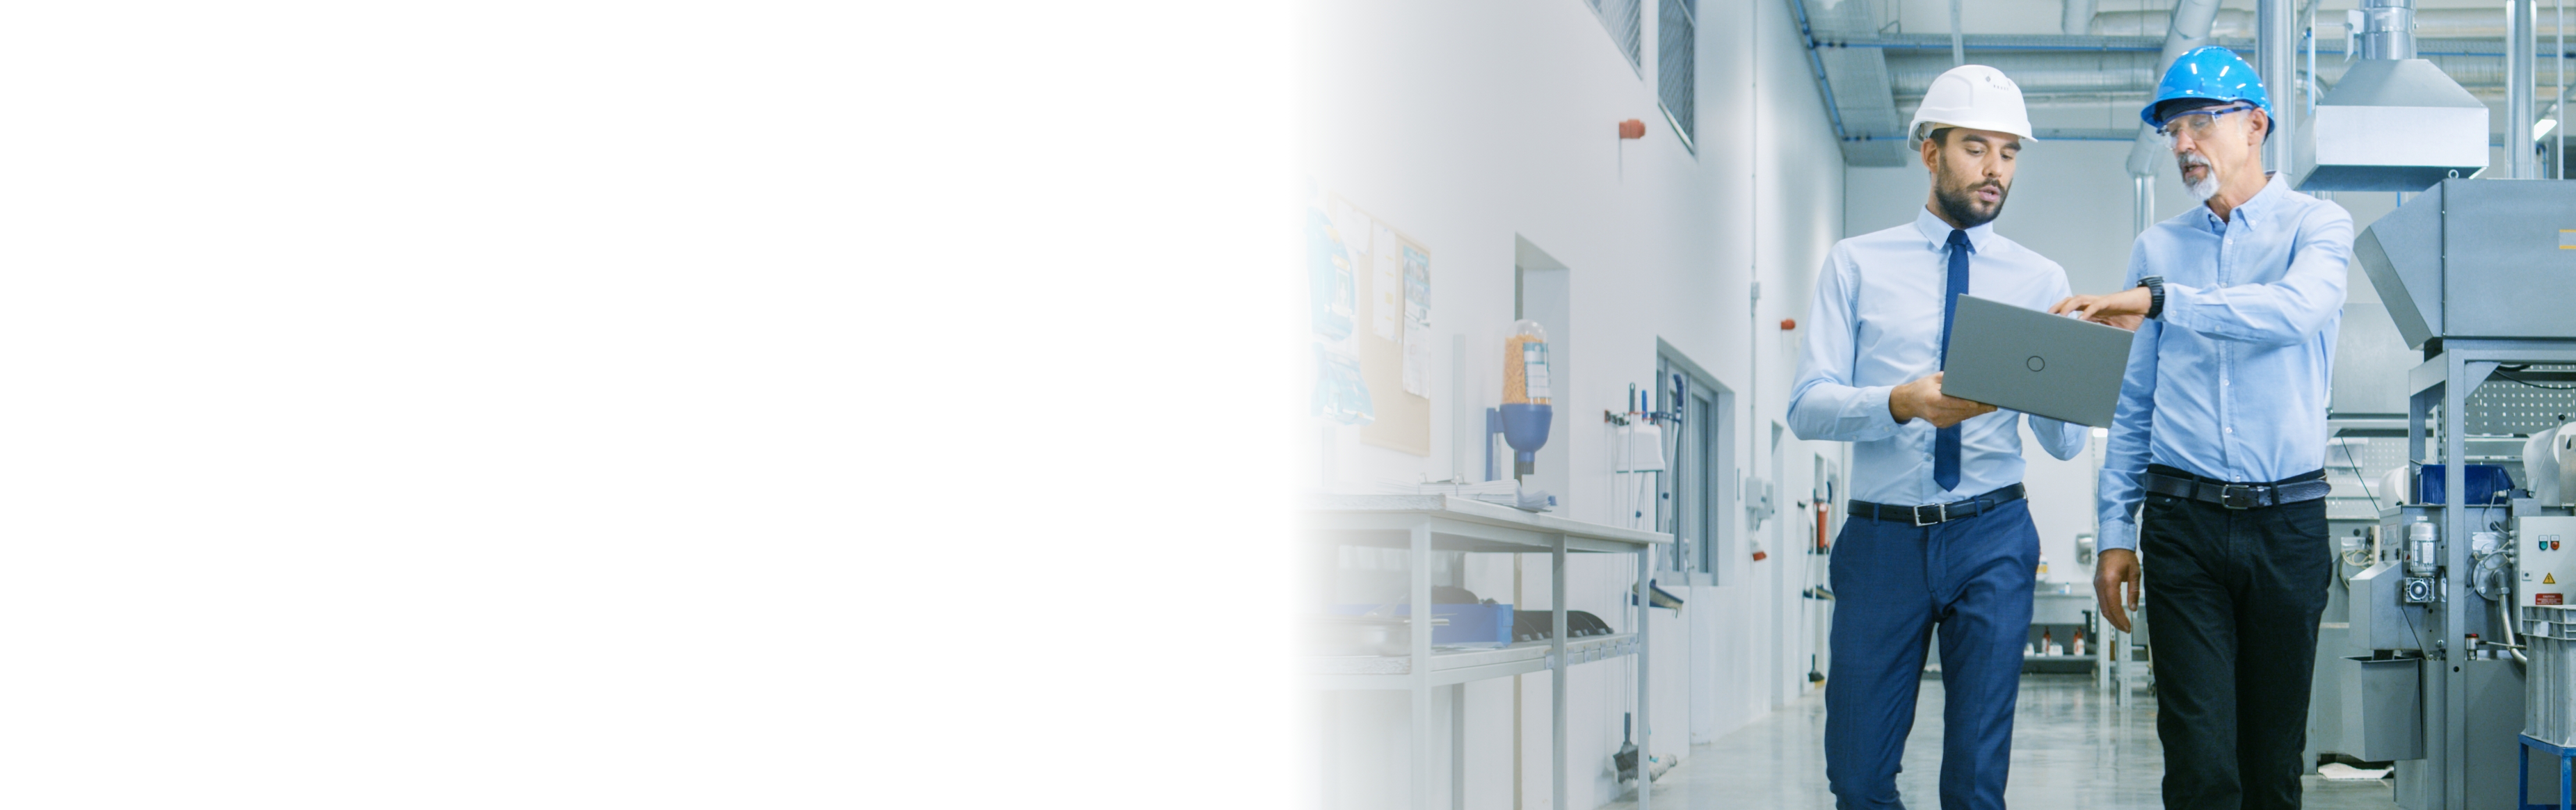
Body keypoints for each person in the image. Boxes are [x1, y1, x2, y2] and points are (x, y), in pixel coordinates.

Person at [2052, 45, 2353, 810]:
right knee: (2197, 756)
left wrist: (2161, 302)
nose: (2181, 144)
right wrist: (2115, 530)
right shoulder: (2158, 248)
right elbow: (2134, 403)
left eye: (2197, 123)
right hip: (2182, 523)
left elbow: (2293, 312)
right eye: (2171, 129)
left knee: (2272, 760)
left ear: (2253, 126)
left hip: (2286, 524)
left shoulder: (2317, 226)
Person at [1788, 64, 2085, 810]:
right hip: (1883, 541)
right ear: (1929, 151)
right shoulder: (1856, 264)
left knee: (1976, 781)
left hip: (1991, 533)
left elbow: (2063, 444)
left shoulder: (2037, 276)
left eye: (2009, 153)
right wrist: (1898, 402)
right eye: (1975, 148)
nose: (1995, 170)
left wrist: (2069, 369)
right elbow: (1806, 406)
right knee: (1855, 775)